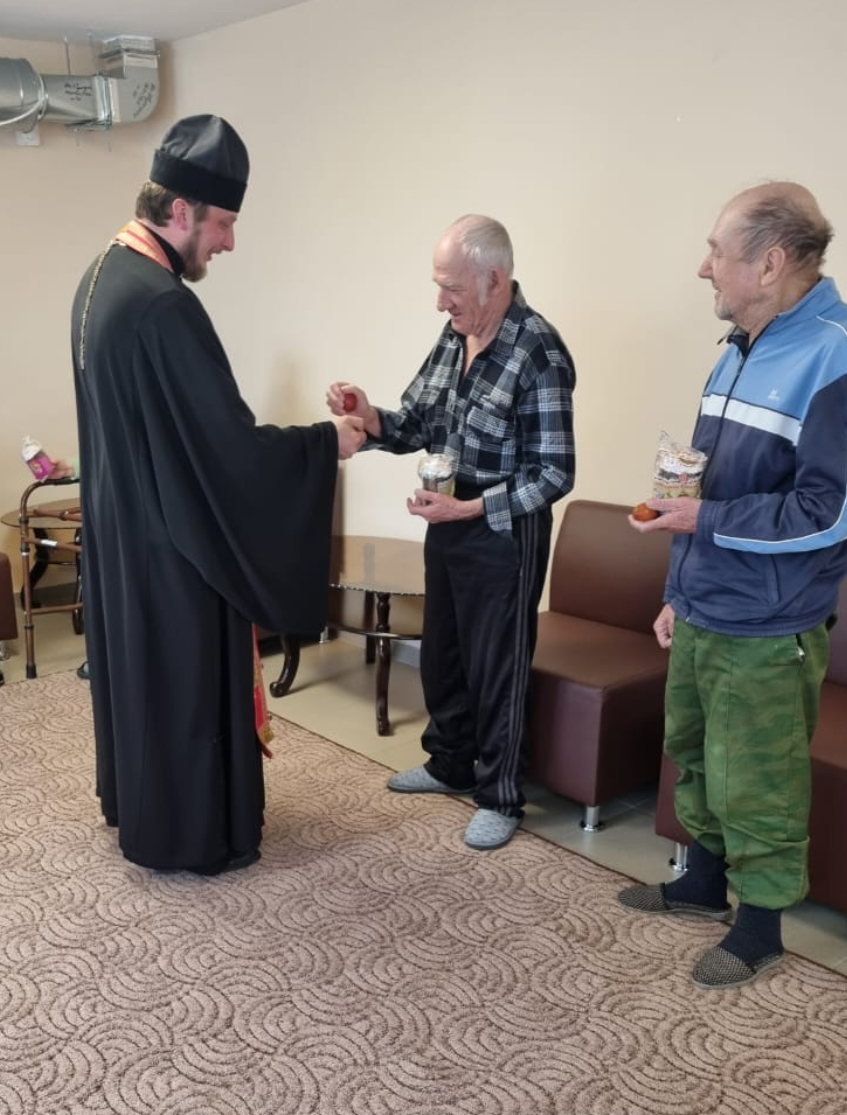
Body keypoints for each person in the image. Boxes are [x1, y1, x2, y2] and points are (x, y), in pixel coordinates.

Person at [72, 114, 365, 875]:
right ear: (181, 211)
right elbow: (226, 450)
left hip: (123, 533)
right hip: (175, 548)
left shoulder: (100, 277)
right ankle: (191, 834)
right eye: (224, 223)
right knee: (185, 688)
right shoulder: (164, 305)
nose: (229, 243)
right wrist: (324, 442)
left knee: (146, 687)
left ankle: (143, 808)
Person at [618, 182, 847, 990]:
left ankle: (759, 927)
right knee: (693, 752)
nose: (702, 268)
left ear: (770, 262)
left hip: (768, 622)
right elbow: (700, 485)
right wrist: (677, 587)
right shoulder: (737, 346)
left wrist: (702, 522)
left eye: (715, 251)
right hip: (703, 602)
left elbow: (827, 511)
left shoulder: (833, 355)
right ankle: (702, 882)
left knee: (758, 777)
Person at [327, 215, 576, 851]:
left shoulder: (538, 351)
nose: (441, 301)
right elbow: (416, 422)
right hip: (448, 518)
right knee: (445, 652)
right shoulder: (453, 335)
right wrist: (369, 416)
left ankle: (501, 796)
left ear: (495, 278)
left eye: (452, 287)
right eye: (439, 286)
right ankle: (450, 764)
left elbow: (555, 472)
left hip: (503, 530)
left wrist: (471, 509)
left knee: (498, 666)